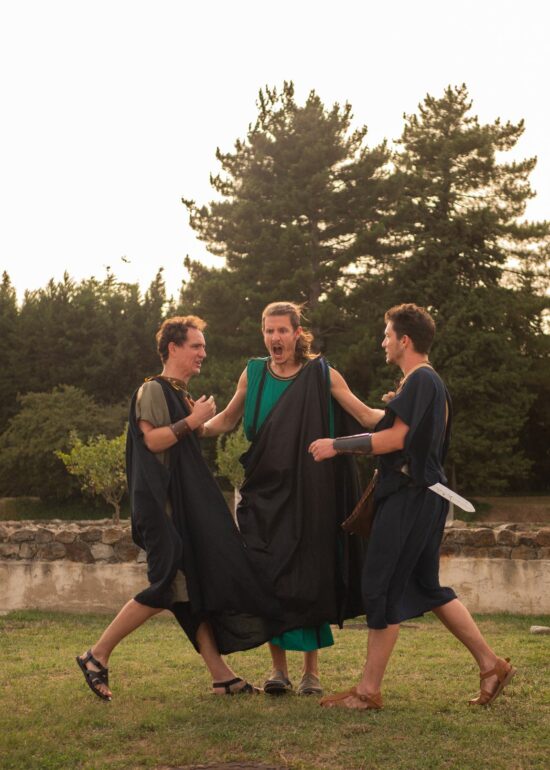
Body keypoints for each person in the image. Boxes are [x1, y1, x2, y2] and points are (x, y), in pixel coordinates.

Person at [309, 303, 516, 710]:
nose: (382, 342)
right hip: (423, 497)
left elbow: (393, 440)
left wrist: (337, 445)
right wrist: (336, 385)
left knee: (380, 585)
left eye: (387, 335)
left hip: (410, 497)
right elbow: (376, 419)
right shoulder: (420, 383)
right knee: (426, 587)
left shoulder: (421, 380)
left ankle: (368, 691)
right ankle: (492, 665)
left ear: (404, 340)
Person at [76, 315, 283, 701]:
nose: (203, 353)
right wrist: (192, 419)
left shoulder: (176, 393)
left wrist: (212, 414)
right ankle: (96, 655)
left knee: (189, 593)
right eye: (196, 346)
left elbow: (197, 433)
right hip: (162, 512)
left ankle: (222, 678)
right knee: (164, 588)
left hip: (180, 512)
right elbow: (153, 441)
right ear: (173, 347)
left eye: (203, 346)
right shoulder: (153, 390)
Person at [203, 301, 383, 696]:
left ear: (297, 333)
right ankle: (278, 671)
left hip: (312, 496)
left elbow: (366, 416)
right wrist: (189, 427)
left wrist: (409, 414)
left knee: (309, 576)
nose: (275, 337)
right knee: (267, 574)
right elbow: (227, 420)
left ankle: (311, 673)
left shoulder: (322, 373)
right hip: (263, 494)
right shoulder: (253, 373)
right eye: (269, 330)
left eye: (282, 330)